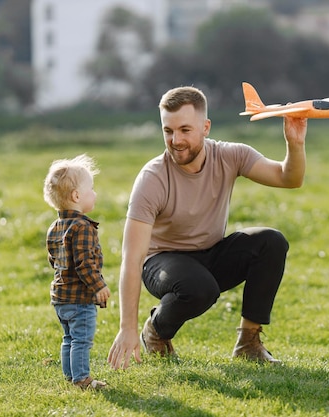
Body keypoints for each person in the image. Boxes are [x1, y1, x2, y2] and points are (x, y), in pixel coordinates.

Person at [107, 86, 307, 370]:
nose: (176, 140)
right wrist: (127, 327)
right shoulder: (152, 178)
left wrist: (295, 144)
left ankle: (248, 343)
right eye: (168, 131)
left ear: (206, 127)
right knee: (199, 288)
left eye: (185, 130)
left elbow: (289, 179)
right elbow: (132, 258)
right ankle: (154, 332)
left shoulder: (231, 155)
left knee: (271, 242)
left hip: (210, 253)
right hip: (162, 262)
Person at [43, 154, 112, 390]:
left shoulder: (55, 227)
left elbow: (54, 260)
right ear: (76, 196)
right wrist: (98, 286)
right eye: (91, 188)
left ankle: (69, 376)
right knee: (81, 339)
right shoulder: (82, 227)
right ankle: (82, 379)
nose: (95, 193)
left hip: (60, 297)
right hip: (79, 298)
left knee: (69, 338)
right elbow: (85, 264)